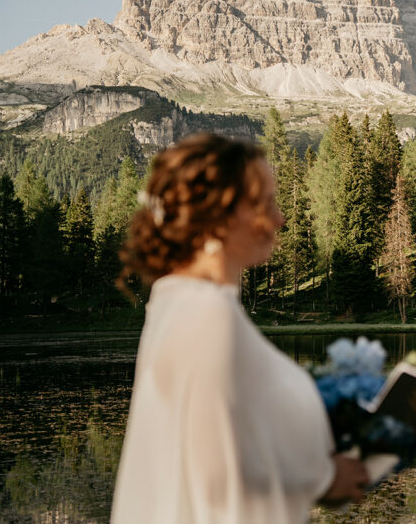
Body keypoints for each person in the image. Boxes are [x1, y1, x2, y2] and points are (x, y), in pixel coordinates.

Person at [110, 134, 367, 524]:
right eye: (264, 203)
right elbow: (215, 476)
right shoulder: (206, 314)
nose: (279, 218)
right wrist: (325, 479)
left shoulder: (175, 301)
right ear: (216, 217)